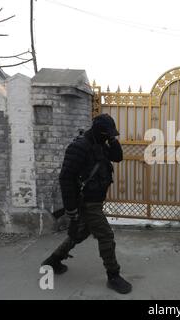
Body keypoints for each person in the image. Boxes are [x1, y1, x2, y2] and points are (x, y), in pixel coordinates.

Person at [41, 114, 132, 295]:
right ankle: (113, 275)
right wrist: (70, 208)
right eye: (107, 134)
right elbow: (65, 178)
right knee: (106, 236)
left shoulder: (100, 143)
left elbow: (118, 157)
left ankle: (53, 260)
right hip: (86, 203)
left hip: (95, 201)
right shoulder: (79, 147)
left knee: (81, 233)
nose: (109, 137)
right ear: (99, 131)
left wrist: (112, 139)